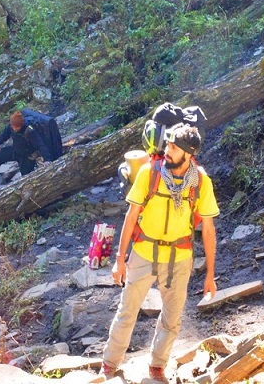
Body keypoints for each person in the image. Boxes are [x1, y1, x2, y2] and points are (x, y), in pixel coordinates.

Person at [101, 123, 219, 383]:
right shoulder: (149, 173)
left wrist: (210, 274)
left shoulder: (201, 181)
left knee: (172, 317)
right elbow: (131, 217)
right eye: (168, 144)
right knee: (127, 311)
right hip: (143, 252)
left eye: (174, 147)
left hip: (179, 257)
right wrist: (119, 260)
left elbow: (208, 230)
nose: (167, 150)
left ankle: (157, 366)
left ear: (188, 153)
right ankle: (109, 366)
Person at [0, 111, 51, 190]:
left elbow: (40, 145)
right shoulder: (11, 126)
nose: (14, 129)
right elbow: (4, 135)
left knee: (26, 180)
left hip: (27, 157)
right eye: (13, 127)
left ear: (22, 124)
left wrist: (47, 159)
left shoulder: (30, 131)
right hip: (16, 150)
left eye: (17, 127)